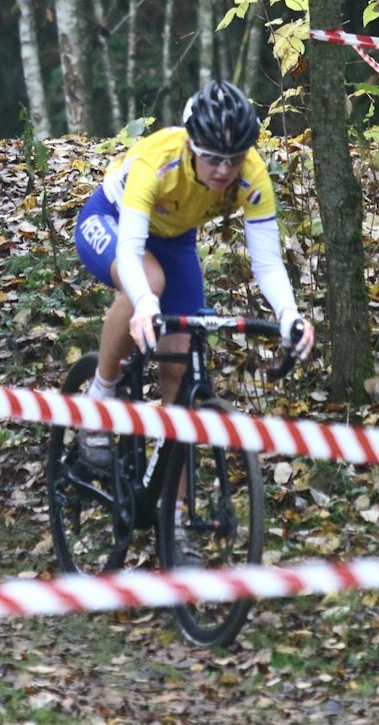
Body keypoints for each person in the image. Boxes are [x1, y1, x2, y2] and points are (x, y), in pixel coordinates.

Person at [73, 79, 315, 474]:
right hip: (111, 219)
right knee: (148, 285)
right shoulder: (158, 160)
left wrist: (289, 313)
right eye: (212, 158)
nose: (224, 170)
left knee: (180, 371)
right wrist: (146, 304)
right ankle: (99, 396)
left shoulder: (251, 175)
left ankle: (178, 516)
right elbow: (131, 252)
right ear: (190, 147)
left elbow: (268, 263)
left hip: (174, 240)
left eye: (233, 159)